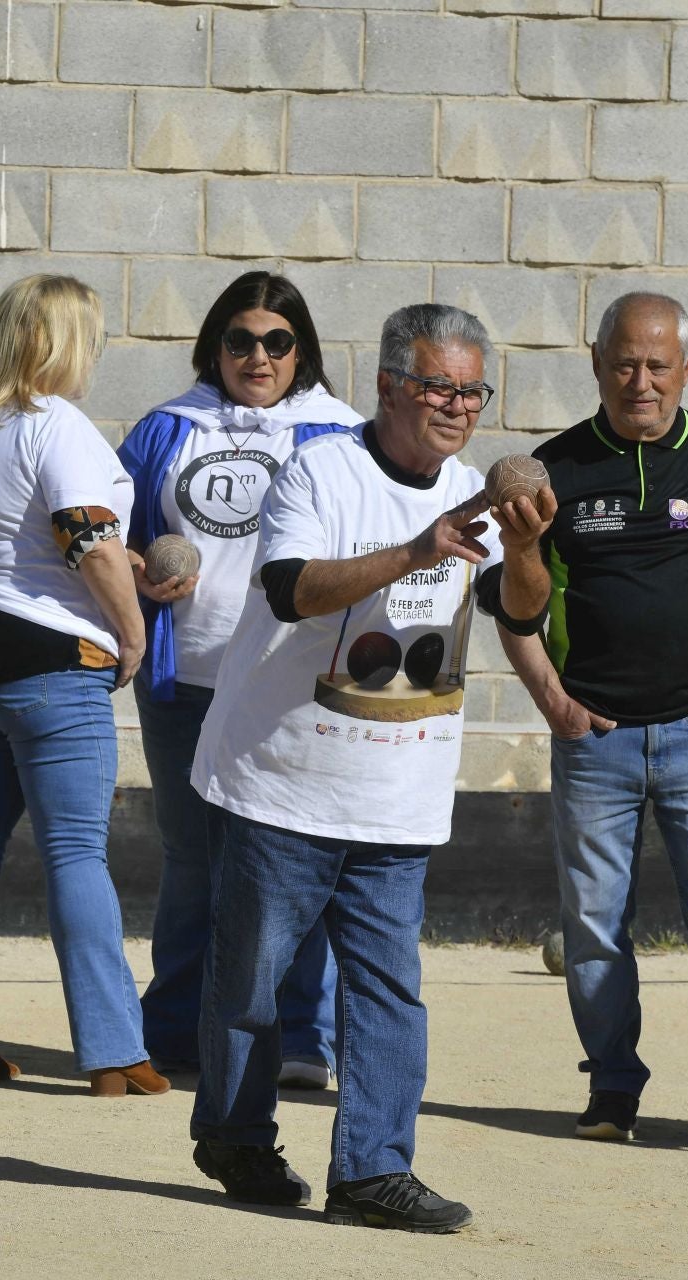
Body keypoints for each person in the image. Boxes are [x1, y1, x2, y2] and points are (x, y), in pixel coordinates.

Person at [188, 303, 551, 1232]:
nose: (458, 407)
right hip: (285, 775)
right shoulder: (318, 470)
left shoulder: (474, 486)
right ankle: (234, 1136)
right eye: (439, 386)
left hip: (400, 789)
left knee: (389, 986)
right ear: (389, 384)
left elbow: (522, 613)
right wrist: (416, 549)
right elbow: (289, 588)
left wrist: (531, 542)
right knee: (251, 982)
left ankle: (372, 1172)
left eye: (473, 391)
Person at [498, 291, 688, 1155]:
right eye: (624, 362)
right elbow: (513, 612)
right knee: (595, 925)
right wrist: (555, 707)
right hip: (595, 742)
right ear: (597, 364)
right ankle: (611, 1088)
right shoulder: (553, 471)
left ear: (687, 369)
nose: (641, 381)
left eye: (658, 364)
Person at [0, 274, 165, 1098]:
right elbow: (85, 537)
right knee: (74, 853)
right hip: (49, 662)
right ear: (63, 339)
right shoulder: (52, 423)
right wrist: (131, 630)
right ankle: (113, 1050)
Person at [118, 270, 363, 1089]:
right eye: (240, 340)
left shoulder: (341, 435)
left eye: (277, 341)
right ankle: (175, 1031)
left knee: (294, 865)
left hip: (290, 681)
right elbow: (103, 535)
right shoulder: (165, 430)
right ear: (214, 347)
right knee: (193, 861)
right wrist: (137, 575)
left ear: (303, 351)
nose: (258, 357)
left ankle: (300, 1037)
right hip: (187, 678)